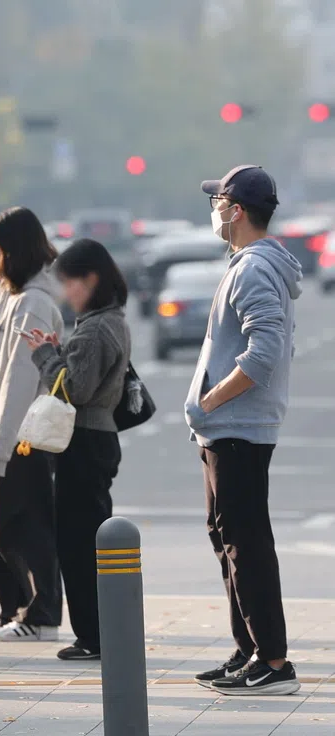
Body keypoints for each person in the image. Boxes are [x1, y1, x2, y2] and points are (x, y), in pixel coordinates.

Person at [188, 166, 302, 696]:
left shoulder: (253, 268)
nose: (213, 210)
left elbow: (266, 350)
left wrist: (212, 399)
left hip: (238, 427)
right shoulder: (250, 263)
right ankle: (250, 648)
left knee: (246, 542)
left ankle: (273, 661)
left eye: (218, 202)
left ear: (236, 211)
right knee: (228, 537)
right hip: (226, 428)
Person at [23, 239, 131, 661]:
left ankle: (93, 636)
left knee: (79, 544)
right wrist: (59, 352)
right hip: (95, 439)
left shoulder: (97, 328)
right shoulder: (108, 321)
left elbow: (73, 389)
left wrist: (45, 356)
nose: (66, 293)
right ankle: (97, 633)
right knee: (86, 540)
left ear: (91, 279)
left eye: (70, 283)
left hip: (85, 441)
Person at [0, 206, 64, 643]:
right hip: (0, 431)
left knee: (22, 526)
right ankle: (16, 611)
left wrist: (2, 445)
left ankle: (41, 616)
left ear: (17, 249)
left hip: (23, 436)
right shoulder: (10, 295)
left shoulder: (34, 303)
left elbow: (19, 380)